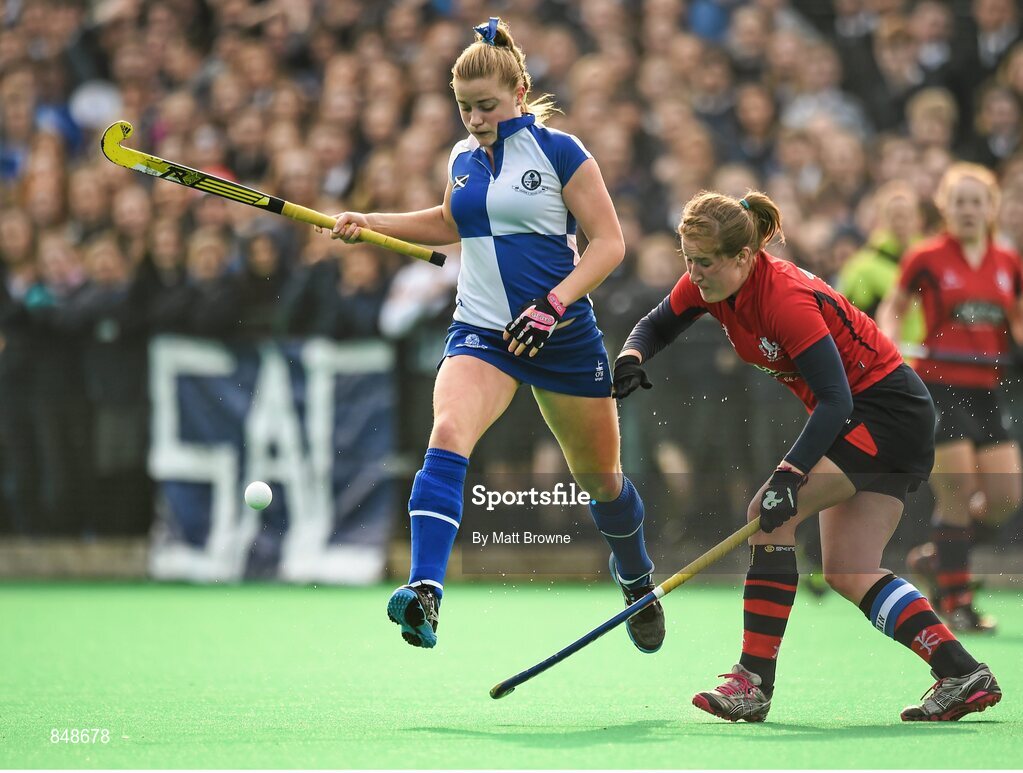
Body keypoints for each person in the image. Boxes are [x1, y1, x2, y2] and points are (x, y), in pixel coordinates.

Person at [330, 17, 663, 652]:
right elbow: (449, 221)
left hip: (560, 339)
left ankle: (636, 578)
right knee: (447, 434)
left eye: (486, 106)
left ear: (517, 92)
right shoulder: (460, 157)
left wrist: (554, 305)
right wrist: (369, 220)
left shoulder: (562, 152)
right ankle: (426, 593)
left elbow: (612, 244)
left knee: (602, 480)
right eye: (464, 109)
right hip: (481, 332)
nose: (476, 119)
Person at [614, 189, 1001, 722]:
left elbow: (838, 397)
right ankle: (961, 672)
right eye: (687, 260)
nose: (693, 272)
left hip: (884, 413)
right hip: (869, 414)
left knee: (768, 515)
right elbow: (657, 323)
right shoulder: (710, 280)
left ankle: (752, 682)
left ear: (743, 257)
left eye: (703, 262)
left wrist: (789, 475)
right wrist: (633, 354)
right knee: (848, 569)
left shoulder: (785, 299)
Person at [878, 162, 1023, 633]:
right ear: (945, 207)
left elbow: (1017, 320)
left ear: (991, 208)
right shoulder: (926, 256)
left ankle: (938, 557)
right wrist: (890, 341)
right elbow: (894, 308)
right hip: (937, 386)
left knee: (1005, 497)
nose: (967, 210)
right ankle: (957, 601)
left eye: (976, 201)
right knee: (957, 490)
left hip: (986, 388)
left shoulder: (1008, 261)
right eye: (958, 202)